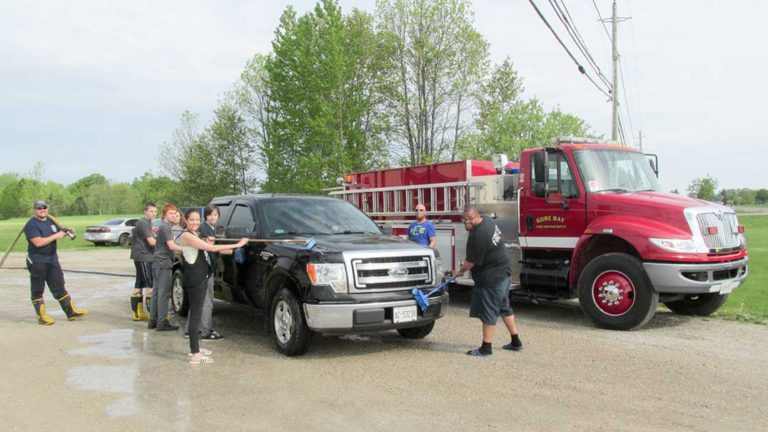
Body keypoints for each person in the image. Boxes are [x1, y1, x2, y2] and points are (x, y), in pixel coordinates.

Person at [178, 208, 247, 364]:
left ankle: (195, 347)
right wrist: (238, 244)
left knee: (198, 312)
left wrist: (212, 242)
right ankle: (195, 354)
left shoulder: (195, 234)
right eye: (192, 220)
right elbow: (211, 249)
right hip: (194, 279)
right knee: (196, 315)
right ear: (186, 221)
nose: (195, 222)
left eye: (197, 219)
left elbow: (207, 247)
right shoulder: (187, 235)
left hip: (202, 276)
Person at [453, 205, 523, 356]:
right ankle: (516, 341)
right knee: (504, 307)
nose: (466, 224)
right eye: (463, 221)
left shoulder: (479, 235)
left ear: (475, 217)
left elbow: (471, 262)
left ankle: (486, 348)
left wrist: (459, 272)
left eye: (468, 221)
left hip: (493, 277)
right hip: (503, 272)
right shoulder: (487, 221)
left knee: (489, 311)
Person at [24, 199, 88, 325]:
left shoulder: (50, 220)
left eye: (44, 207)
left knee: (59, 285)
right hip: (37, 259)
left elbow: (60, 231)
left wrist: (67, 231)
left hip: (52, 258)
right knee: (38, 288)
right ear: (34, 210)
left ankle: (71, 312)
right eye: (39, 208)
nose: (42, 210)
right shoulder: (31, 224)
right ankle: (42, 317)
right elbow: (38, 243)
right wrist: (56, 236)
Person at [190, 204, 229, 340]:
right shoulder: (204, 229)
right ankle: (206, 331)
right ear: (205, 216)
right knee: (207, 301)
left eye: (215, 215)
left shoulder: (212, 229)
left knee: (197, 300)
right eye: (210, 214)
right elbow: (209, 248)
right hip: (204, 270)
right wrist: (235, 247)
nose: (213, 217)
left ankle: (191, 330)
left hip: (202, 269)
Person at [148, 204, 183, 331]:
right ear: (164, 215)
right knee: (163, 294)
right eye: (170, 214)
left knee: (156, 292)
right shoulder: (165, 227)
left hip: (158, 263)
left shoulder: (165, 227)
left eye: (175, 213)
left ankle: (153, 320)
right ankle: (162, 322)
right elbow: (172, 246)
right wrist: (187, 249)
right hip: (163, 264)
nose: (174, 216)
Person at [129, 202, 156, 321]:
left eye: (155, 212)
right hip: (144, 256)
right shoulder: (144, 223)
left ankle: (137, 313)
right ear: (145, 211)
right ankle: (154, 315)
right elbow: (151, 242)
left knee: (139, 284)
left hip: (139, 256)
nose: (154, 214)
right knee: (150, 284)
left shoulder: (145, 223)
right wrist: (166, 244)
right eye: (151, 211)